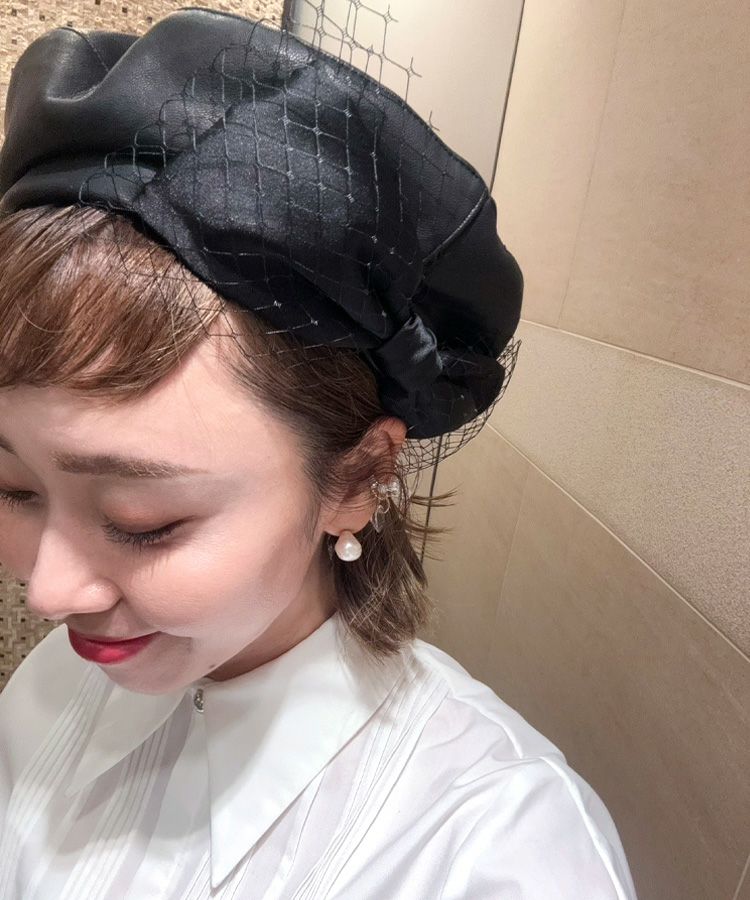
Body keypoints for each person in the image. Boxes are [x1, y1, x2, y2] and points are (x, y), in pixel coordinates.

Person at [0, 7, 638, 898]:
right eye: (14, 489)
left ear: (358, 476)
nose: (47, 593)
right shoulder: (51, 687)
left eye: (144, 521)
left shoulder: (495, 852)